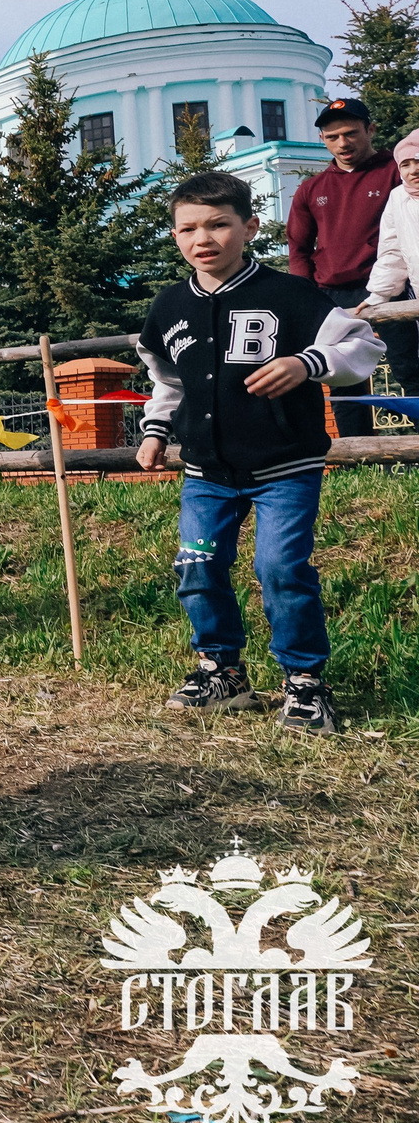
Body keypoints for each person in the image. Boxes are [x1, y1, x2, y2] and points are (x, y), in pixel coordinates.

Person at [137, 171, 381, 734]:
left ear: (248, 227)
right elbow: (168, 381)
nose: (204, 238)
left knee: (280, 569)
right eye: (189, 228)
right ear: (175, 236)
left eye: (219, 224)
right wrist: (155, 431)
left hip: (285, 469)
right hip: (206, 474)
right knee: (197, 565)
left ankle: (304, 683)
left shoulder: (289, 295)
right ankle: (222, 672)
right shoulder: (169, 307)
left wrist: (306, 364)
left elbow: (362, 342)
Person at [291, 100, 406, 438]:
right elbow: (298, 247)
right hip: (333, 297)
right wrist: (307, 297)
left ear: (370, 130)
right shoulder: (312, 189)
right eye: (332, 136)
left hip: (391, 291)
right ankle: (358, 459)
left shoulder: (398, 172)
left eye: (351, 133)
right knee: (344, 381)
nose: (343, 143)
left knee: (409, 370)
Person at [358, 128, 419, 393]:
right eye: (405, 164)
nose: (413, 170)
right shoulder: (398, 198)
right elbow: (392, 252)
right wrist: (377, 295)